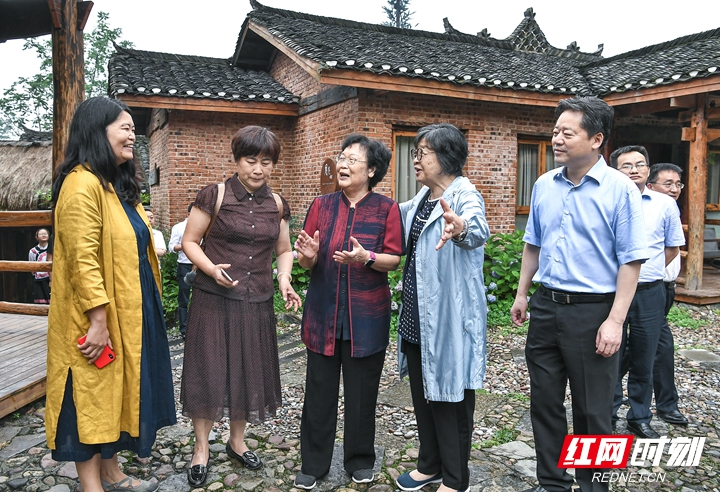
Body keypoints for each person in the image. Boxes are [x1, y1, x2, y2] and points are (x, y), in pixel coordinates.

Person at [510, 96, 648, 492]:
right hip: (547, 307)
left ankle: (594, 486)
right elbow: (533, 244)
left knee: (594, 410)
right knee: (546, 402)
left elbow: (631, 261)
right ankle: (552, 482)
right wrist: (522, 294)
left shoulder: (620, 189)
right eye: (555, 131)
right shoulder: (543, 185)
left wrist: (615, 321)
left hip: (593, 312)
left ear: (596, 139)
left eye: (567, 133)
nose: (556, 139)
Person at [44, 96, 176, 492]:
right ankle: (91, 484)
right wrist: (98, 321)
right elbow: (83, 261)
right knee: (87, 393)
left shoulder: (112, 186)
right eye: (124, 126)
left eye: (132, 127)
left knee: (116, 390)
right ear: (95, 132)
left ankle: (112, 469)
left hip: (129, 308)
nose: (132, 134)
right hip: (95, 315)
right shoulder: (80, 184)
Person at [179, 125, 302, 487]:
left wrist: (284, 278)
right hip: (213, 300)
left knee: (247, 371)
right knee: (208, 370)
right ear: (236, 160)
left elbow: (283, 249)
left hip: (256, 300)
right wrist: (210, 269)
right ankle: (201, 449)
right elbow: (190, 240)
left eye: (266, 162)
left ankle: (236, 441)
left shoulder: (277, 204)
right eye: (251, 160)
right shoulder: (213, 195)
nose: (258, 169)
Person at [293, 134, 403, 490]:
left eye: (353, 160)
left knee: (361, 395)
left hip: (366, 318)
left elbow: (393, 259)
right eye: (342, 157)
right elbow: (306, 259)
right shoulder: (321, 205)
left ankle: (359, 460)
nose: (343, 164)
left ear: (372, 170)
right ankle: (313, 464)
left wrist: (365, 258)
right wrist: (308, 254)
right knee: (319, 392)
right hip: (323, 314)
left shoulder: (386, 209)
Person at [394, 123, 490, 492]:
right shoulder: (420, 200)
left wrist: (461, 227)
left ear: (446, 157)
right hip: (419, 316)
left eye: (423, 153)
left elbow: (477, 229)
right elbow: (390, 227)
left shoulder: (465, 194)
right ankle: (429, 464)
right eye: (415, 152)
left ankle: (455, 477)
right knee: (423, 394)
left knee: (451, 399)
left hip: (450, 317)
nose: (415, 160)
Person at [610, 146, 685, 439]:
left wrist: (646, 271)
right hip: (612, 291)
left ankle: (639, 416)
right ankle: (608, 409)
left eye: (640, 164)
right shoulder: (606, 201)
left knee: (645, 354)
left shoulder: (664, 205)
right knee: (610, 353)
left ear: (648, 170)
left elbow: (672, 247)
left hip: (649, 291)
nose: (634, 170)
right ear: (614, 170)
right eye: (626, 165)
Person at [644, 163, 688, 426]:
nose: (674, 189)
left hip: (666, 289)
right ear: (650, 186)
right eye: (668, 183)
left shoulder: (670, 209)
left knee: (645, 344)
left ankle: (616, 391)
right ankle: (666, 404)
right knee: (661, 345)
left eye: (678, 184)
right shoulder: (647, 211)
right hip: (650, 287)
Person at [168, 204, 193, 337]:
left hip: (201, 266)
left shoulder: (205, 226)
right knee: (183, 298)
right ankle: (184, 330)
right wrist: (186, 245)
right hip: (185, 265)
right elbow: (171, 247)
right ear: (188, 214)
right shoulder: (178, 227)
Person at [28, 228, 51, 303]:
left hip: (50, 277)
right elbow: (31, 264)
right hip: (39, 279)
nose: (43, 235)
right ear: (37, 237)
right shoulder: (33, 251)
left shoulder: (53, 249)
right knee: (40, 300)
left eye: (45, 233)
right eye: (41, 234)